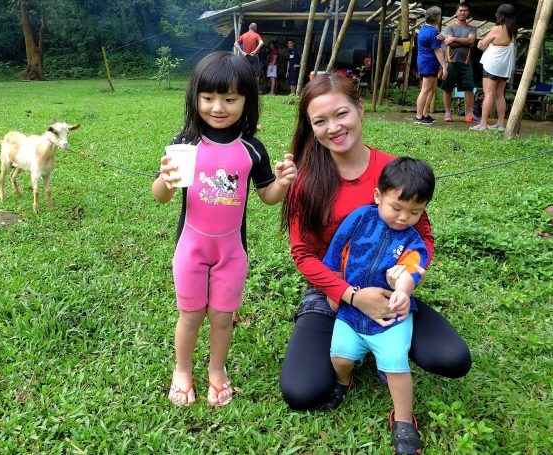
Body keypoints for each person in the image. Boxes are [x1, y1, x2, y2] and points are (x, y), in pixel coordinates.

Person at [279, 74, 471, 413]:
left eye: (341, 114)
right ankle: (353, 353)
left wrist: (407, 279)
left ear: (360, 109)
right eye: (320, 121)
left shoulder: (392, 170)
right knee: (302, 391)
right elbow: (303, 253)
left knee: (452, 359)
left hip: (386, 289)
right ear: (311, 127)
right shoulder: (305, 179)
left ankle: (382, 340)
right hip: (331, 293)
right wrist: (351, 295)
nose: (333, 128)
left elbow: (423, 236)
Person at [152, 51, 297, 407]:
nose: (218, 107)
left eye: (230, 99)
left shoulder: (252, 148)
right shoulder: (184, 143)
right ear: (195, 97)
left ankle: (217, 370)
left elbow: (267, 196)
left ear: (247, 101)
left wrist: (282, 182)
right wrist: (166, 180)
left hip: (232, 252)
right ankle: (182, 370)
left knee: (221, 317)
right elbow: (160, 196)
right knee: (190, 315)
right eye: (208, 98)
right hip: (190, 248)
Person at [322, 157, 436, 454]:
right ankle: (344, 381)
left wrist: (403, 289)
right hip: (352, 309)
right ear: (377, 196)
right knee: (340, 356)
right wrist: (335, 290)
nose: (403, 217)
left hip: (390, 314)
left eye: (415, 212)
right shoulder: (359, 218)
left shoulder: (413, 242)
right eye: (396, 208)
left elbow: (412, 270)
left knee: (396, 365)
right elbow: (335, 251)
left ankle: (404, 421)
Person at [470, 4, 517, 131]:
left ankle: (483, 123)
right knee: (499, 94)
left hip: (493, 64)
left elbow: (482, 45)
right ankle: (500, 123)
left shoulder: (497, 28)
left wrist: (480, 43)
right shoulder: (513, 30)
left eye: (497, 12)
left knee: (488, 93)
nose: (496, 14)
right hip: (505, 65)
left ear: (501, 15)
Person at [440, 3, 480, 123]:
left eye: (465, 10)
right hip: (450, 61)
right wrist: (466, 42)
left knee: (469, 88)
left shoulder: (472, 27)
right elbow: (448, 43)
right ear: (456, 12)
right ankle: (447, 113)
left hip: (466, 62)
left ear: (468, 13)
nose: (463, 13)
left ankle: (470, 114)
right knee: (448, 88)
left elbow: (471, 40)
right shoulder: (450, 26)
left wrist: (454, 39)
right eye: (461, 10)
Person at [415, 7, 448, 125]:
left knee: (432, 89)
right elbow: (438, 50)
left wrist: (442, 38)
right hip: (429, 63)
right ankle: (419, 117)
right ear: (437, 18)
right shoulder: (433, 32)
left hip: (424, 61)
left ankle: (425, 114)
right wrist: (444, 66)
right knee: (425, 90)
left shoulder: (423, 28)